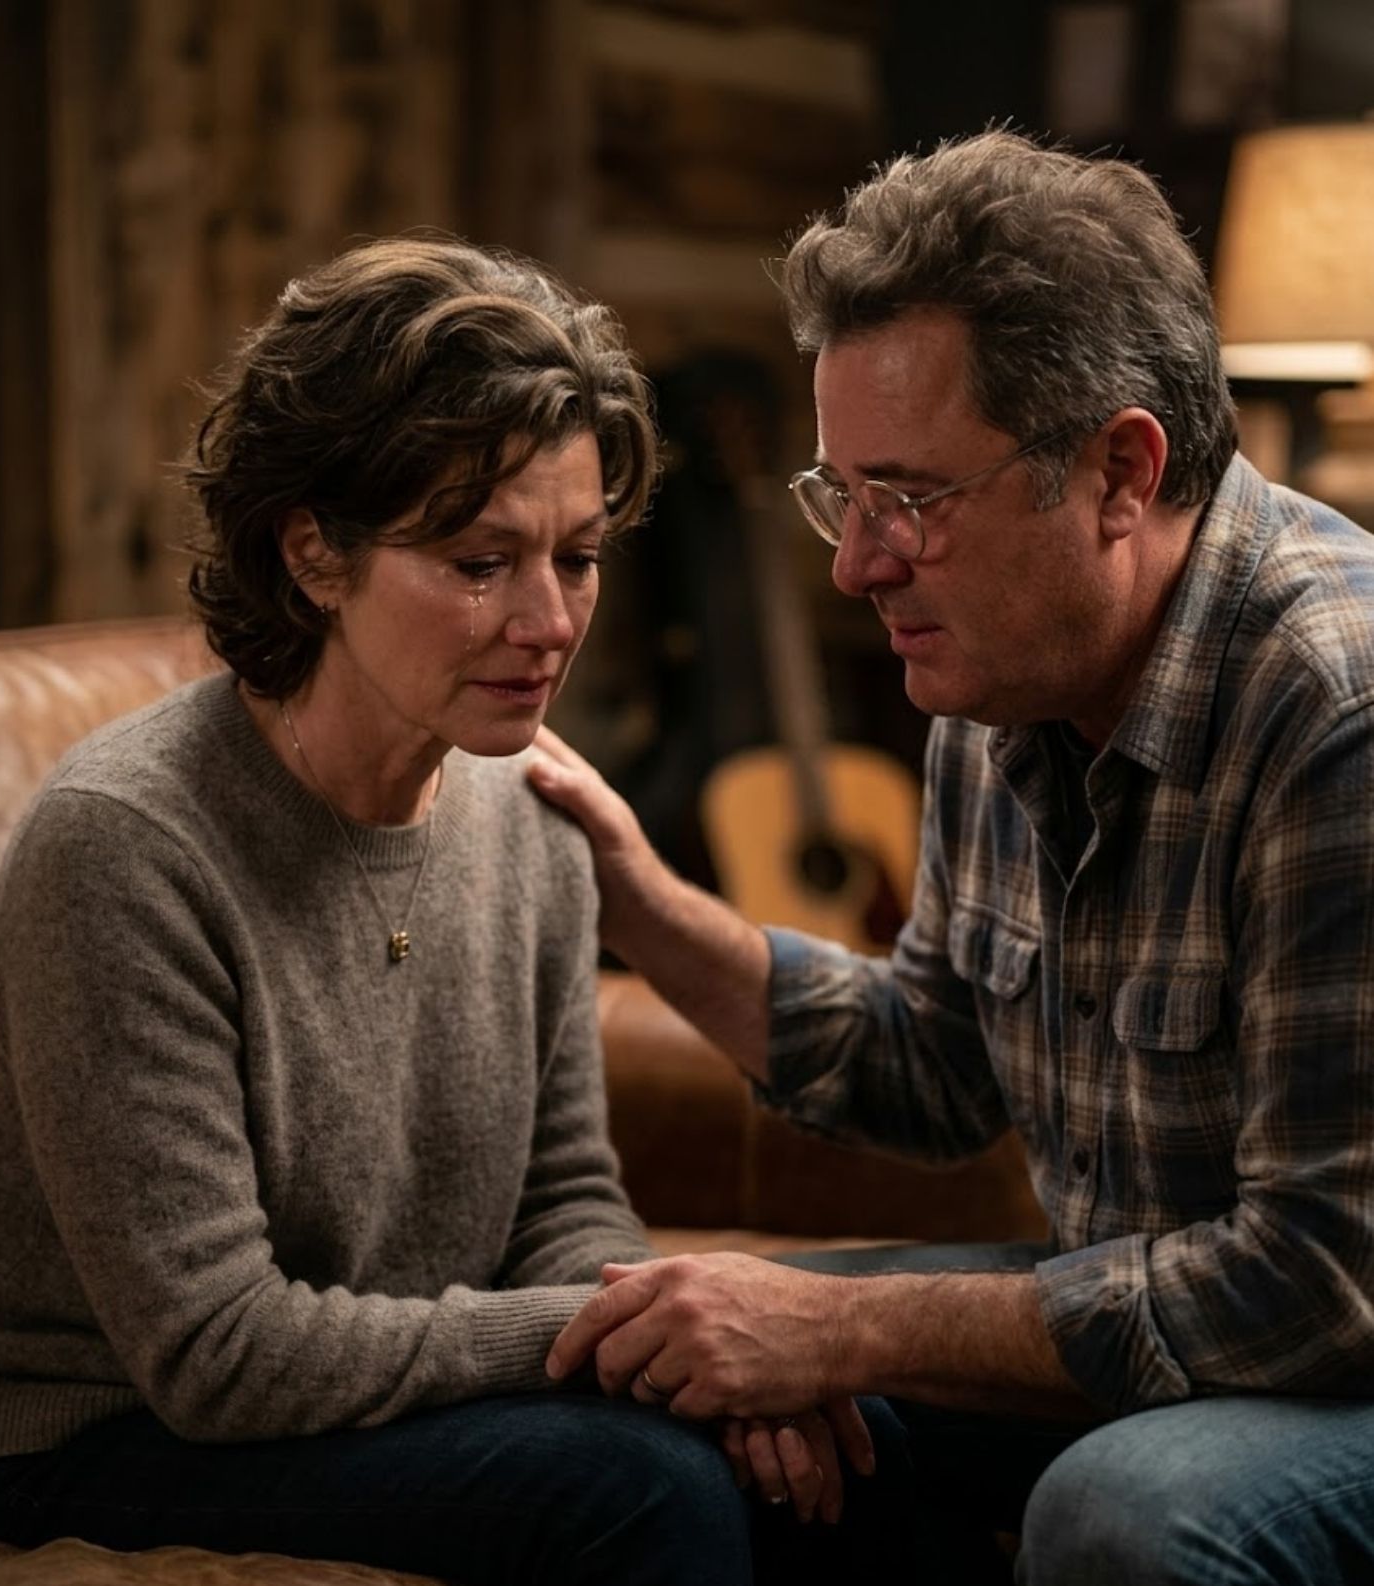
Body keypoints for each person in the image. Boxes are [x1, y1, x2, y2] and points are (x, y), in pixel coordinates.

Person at [0, 237, 900, 1585]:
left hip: (377, 1375)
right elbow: (216, 1351)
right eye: (480, 563)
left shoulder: (529, 803)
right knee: (645, 1489)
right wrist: (628, 1341)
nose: (549, 621)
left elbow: (565, 1196)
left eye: (577, 558)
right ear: (315, 551)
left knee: (863, 1442)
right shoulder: (126, 845)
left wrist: (685, 1351)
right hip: (108, 1426)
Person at [531, 130, 1374, 1584]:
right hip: (1189, 1323)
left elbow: (1321, 1279)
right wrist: (635, 891)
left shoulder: (1335, 706)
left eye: (910, 501)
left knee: (1120, 1514)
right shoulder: (1000, 670)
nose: (857, 565)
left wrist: (849, 1325)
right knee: (700, 1381)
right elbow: (931, 1065)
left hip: (1339, 1343)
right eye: (841, 495)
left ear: (1119, 472)